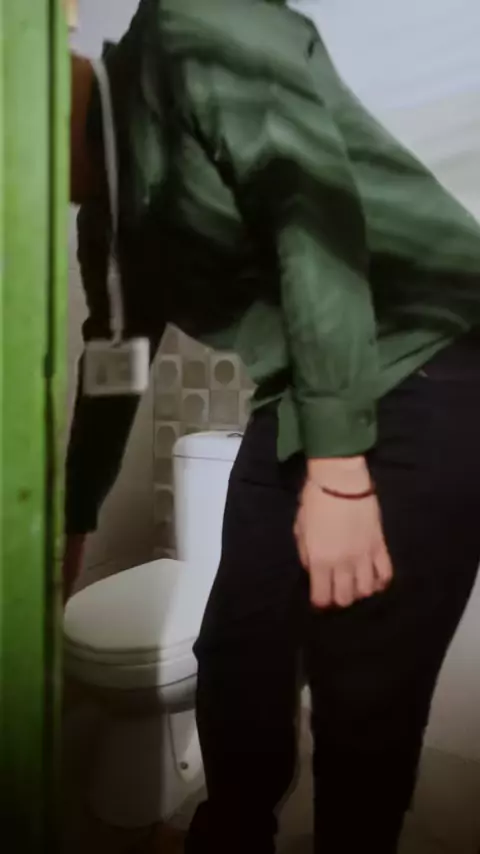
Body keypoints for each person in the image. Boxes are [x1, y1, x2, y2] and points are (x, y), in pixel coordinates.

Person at [66, 1, 480, 851]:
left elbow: (314, 225)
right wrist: (72, 521)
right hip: (297, 390)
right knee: (236, 649)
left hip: (432, 353)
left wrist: (341, 474)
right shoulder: (104, 213)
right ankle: (231, 830)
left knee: (361, 689)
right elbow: (116, 357)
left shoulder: (194, 28)